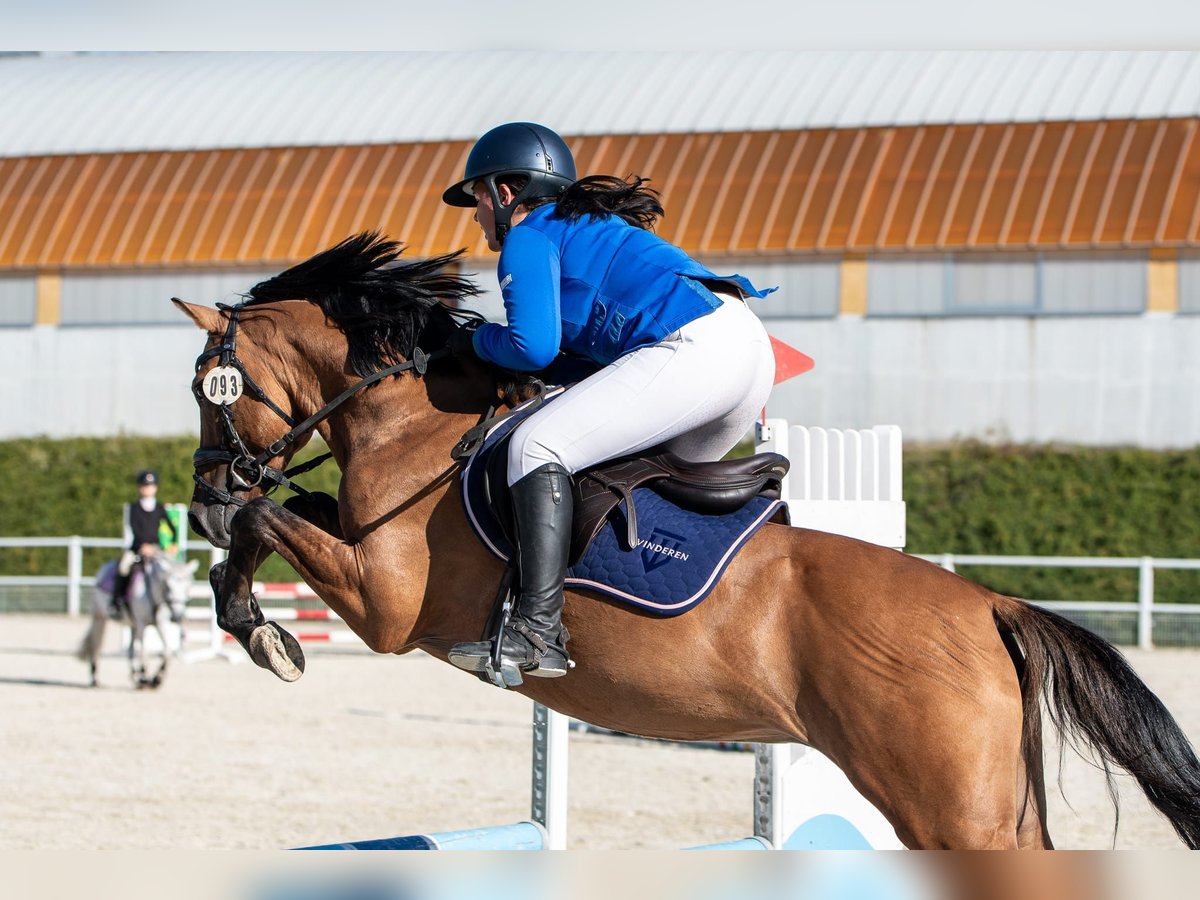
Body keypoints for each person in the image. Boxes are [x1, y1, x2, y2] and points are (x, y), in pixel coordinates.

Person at [441, 122, 776, 680]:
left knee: (537, 445)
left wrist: (469, 339)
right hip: (744, 351)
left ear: (506, 192)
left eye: (476, 197)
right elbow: (577, 361)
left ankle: (536, 633)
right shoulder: (582, 229)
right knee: (624, 476)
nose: (475, 215)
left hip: (696, 348)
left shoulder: (529, 236)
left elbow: (531, 346)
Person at [110, 470, 178, 617]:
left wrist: (173, 543)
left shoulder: (160, 507)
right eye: (144, 485)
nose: (147, 488)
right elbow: (134, 527)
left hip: (156, 549)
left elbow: (172, 527)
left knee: (170, 571)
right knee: (123, 567)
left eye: (150, 485)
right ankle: (117, 602)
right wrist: (143, 546)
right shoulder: (133, 508)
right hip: (137, 549)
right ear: (139, 488)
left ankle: (172, 604)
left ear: (156, 488)